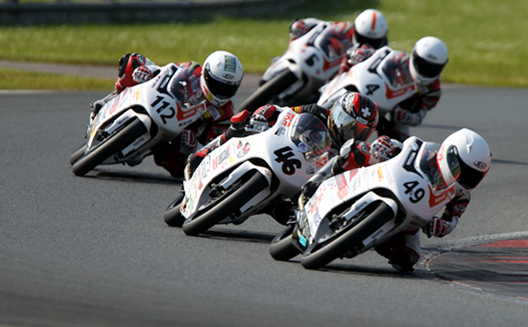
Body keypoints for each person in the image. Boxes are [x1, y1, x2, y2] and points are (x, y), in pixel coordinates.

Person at [186, 91, 393, 224]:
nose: (351, 133)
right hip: (282, 148)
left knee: (290, 214)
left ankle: (269, 208)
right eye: (349, 124)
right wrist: (263, 115)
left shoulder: (347, 152)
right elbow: (284, 112)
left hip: (301, 178)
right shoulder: (317, 111)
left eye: (359, 130)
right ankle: (209, 150)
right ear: (337, 113)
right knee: (242, 123)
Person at [91, 50, 244, 177]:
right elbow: (167, 72)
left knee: (181, 165)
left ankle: (145, 150)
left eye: (227, 89)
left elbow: (212, 148)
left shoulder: (224, 114)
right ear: (206, 74)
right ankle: (111, 99)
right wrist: (149, 73)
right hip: (165, 102)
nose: (221, 93)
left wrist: (193, 145)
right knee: (132, 61)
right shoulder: (192, 70)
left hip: (179, 135)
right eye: (217, 85)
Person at [370, 129, 492, 273]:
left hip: (412, 215)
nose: (465, 178)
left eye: (473, 176)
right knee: (359, 154)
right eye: (462, 170)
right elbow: (400, 148)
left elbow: (452, 220)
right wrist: (386, 143)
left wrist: (441, 226)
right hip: (389, 183)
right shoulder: (427, 154)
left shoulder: (462, 195)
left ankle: (375, 239)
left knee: (408, 258)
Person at [288, 9, 389, 75]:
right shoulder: (345, 29)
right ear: (356, 30)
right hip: (323, 62)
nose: (365, 44)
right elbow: (324, 25)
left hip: (337, 80)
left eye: (372, 42)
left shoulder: (383, 53)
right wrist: (305, 24)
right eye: (362, 38)